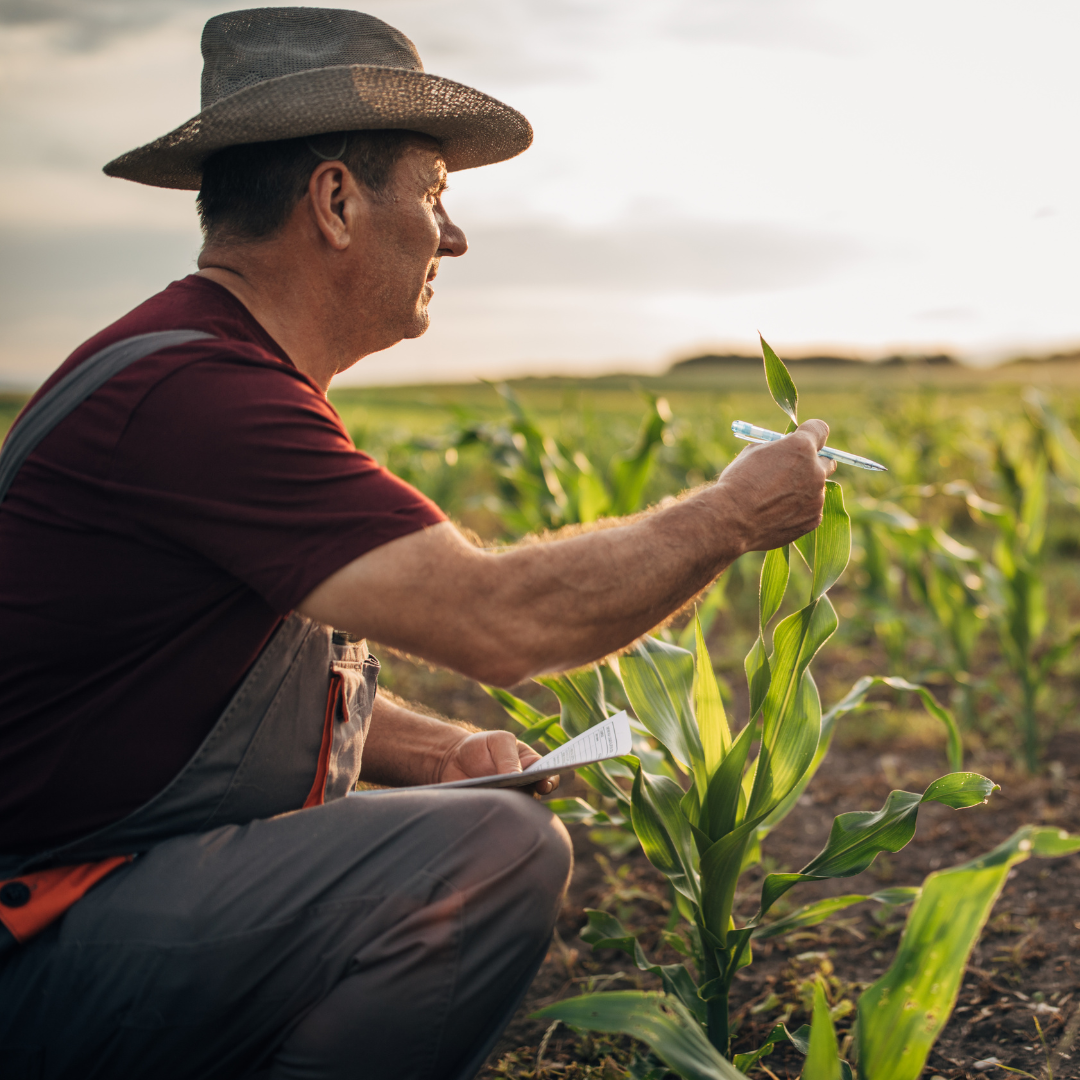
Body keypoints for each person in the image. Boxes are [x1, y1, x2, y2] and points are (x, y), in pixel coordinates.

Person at [0, 8, 834, 1080]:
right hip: (45, 934)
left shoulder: (198, 367)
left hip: (95, 893)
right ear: (337, 202)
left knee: (465, 820)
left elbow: (200, 683)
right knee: (490, 857)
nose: (454, 236)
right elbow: (504, 620)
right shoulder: (202, 400)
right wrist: (730, 517)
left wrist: (440, 754)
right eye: (436, 194)